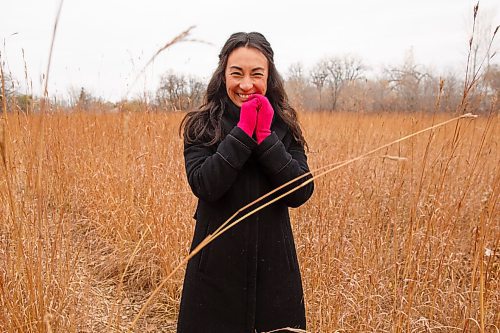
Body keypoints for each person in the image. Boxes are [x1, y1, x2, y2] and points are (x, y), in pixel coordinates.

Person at [177, 32, 314, 333]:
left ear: (270, 77)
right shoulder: (202, 125)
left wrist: (265, 138)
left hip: (275, 272)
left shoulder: (284, 125)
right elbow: (204, 184)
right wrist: (242, 132)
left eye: (257, 74)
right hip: (214, 274)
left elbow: (301, 191)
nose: (246, 84)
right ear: (223, 74)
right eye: (236, 73)